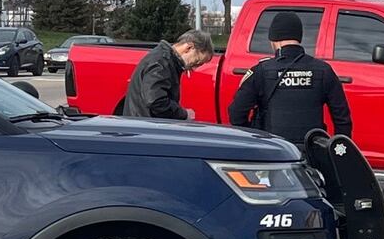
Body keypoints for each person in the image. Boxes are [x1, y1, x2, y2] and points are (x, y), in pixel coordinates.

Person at [228, 11, 352, 144]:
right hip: (311, 151)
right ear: (299, 38)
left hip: (273, 151)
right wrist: (338, 149)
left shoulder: (261, 71)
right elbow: (342, 118)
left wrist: (256, 137)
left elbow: (236, 113)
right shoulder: (323, 70)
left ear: (273, 39)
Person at [122, 29, 213, 119]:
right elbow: (155, 101)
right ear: (189, 48)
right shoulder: (162, 62)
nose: (194, 68)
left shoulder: (163, 59)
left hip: (143, 123)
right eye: (196, 62)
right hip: (146, 126)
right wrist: (183, 114)